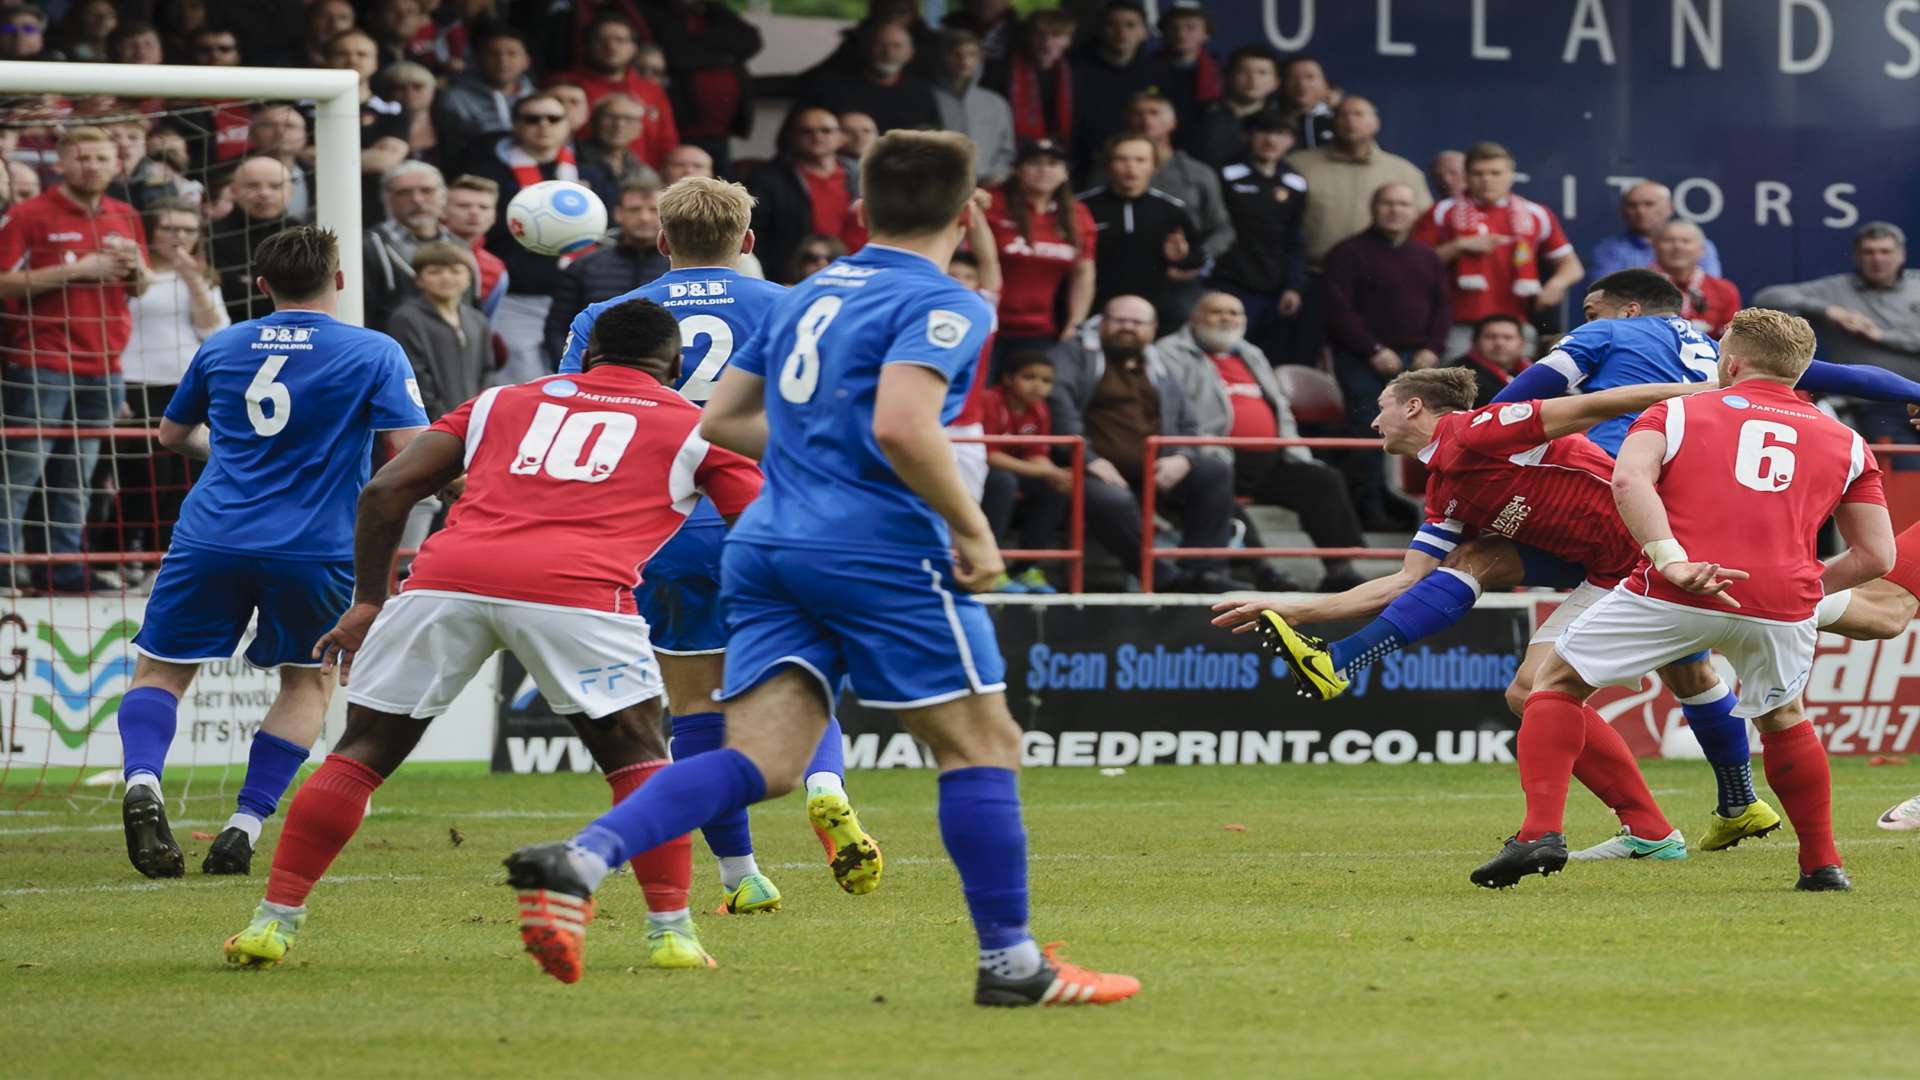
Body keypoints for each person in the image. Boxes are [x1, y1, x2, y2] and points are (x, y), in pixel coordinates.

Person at [509, 130, 1140, 1005]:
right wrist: (975, 531)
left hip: (766, 542)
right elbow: (903, 427)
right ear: (965, 217)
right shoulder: (941, 301)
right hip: (872, 543)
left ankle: (580, 859)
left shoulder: (810, 293)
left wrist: (817, 447)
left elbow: (721, 421)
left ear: (859, 212)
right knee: (982, 741)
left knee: (764, 753)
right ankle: (1011, 964)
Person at [221, 298, 755, 972]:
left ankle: (272, 923)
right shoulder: (697, 424)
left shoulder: (501, 401)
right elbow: (759, 521)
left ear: (586, 354)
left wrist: (367, 602)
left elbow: (386, 491)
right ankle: (671, 934)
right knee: (642, 762)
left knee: (360, 754)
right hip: (580, 593)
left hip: (449, 580)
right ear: (675, 366)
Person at [1221, 368, 1720, 862]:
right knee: (1523, 674)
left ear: (1413, 406)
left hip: (1659, 561)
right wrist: (1295, 609)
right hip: (1610, 571)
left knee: (1564, 689)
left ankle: (1644, 826)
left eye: (1381, 408)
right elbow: (1404, 582)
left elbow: (1598, 404)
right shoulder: (1444, 490)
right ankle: (1340, 663)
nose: (1374, 423)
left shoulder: (1484, 428)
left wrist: (1707, 390)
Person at [1481, 309, 1895, 892]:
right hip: (1781, 604)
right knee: (1783, 718)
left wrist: (1670, 557)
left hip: (1678, 586)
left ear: (1729, 362)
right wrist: (1802, 588)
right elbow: (1876, 557)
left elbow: (1629, 481)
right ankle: (1822, 866)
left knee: (1554, 685)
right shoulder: (1849, 441)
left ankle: (1539, 833)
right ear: (1800, 371)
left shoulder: (1675, 409)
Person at [555, 176, 869, 912]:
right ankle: (823, 783)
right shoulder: (796, 304)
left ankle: (741, 876)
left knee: (694, 702)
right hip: (769, 517)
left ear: (663, 241)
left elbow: (577, 415)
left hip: (659, 527)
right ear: (749, 242)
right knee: (800, 675)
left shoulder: (608, 316)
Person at [114, 226, 428, 880]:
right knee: (306, 681)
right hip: (313, 547)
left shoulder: (224, 343)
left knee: (162, 674)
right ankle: (244, 824)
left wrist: (228, 453)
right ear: (338, 281)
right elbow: (413, 448)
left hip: (211, 535)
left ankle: (142, 782)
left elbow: (172, 433)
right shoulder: (374, 350)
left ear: (262, 286)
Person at [0, 127, 151, 595]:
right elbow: (3, 281)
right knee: (24, 467)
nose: (93, 166)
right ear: (61, 163)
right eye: (82, 157)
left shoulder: (124, 214)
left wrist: (137, 270)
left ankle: (61, 569)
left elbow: (140, 288)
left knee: (79, 473)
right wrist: (78, 270)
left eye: (102, 158)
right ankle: (6, 563)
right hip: (42, 359)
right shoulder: (30, 214)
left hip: (106, 363)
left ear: (116, 163)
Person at [1159, 291, 1366, 592]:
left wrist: (1295, 449)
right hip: (1213, 456)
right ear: (1194, 317)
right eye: (1217, 312)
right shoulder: (1168, 353)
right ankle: (1260, 570)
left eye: (1235, 313)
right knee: (1217, 484)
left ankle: (1339, 569)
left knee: (1323, 480)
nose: (1227, 318)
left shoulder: (1250, 353)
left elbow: (1280, 408)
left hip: (1269, 458)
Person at [1050, 294, 1248, 594]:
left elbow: (1188, 424)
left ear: (1153, 328)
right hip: (1091, 468)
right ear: (1102, 323)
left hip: (1157, 467)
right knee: (1110, 500)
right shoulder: (1075, 355)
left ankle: (1204, 571)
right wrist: (1089, 460)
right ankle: (1165, 579)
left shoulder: (1159, 364)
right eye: (1119, 320)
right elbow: (1058, 409)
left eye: (1137, 322)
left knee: (1214, 471)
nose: (1128, 327)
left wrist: (1183, 457)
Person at [462, 91, 614, 385]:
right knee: (519, 384)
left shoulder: (590, 174)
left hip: (579, 297)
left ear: (567, 125)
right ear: (516, 125)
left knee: (581, 382)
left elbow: (609, 232)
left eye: (553, 118)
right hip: (518, 298)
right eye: (532, 118)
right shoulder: (489, 173)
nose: (543, 125)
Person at [1320, 181, 1448, 526]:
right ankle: (1369, 508)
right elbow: (1337, 310)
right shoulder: (1347, 253)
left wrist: (1431, 349)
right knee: (1371, 430)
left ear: (1414, 213)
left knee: (1428, 432)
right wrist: (1372, 349)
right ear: (1374, 209)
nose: (1395, 211)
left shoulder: (1427, 256)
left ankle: (1428, 510)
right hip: (1362, 360)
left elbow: (1442, 309)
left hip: (1417, 361)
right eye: (1388, 204)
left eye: (1403, 205)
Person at [115, 200, 228, 567]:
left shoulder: (203, 277)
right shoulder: (133, 272)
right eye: (169, 228)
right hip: (133, 383)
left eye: (188, 230)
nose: (179, 237)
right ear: (152, 231)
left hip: (183, 385)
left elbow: (212, 330)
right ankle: (123, 551)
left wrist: (193, 279)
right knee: (141, 475)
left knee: (181, 475)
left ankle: (161, 554)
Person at [1754, 221, 1920, 462]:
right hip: (1873, 404)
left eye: (1885, 252)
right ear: (1856, 256)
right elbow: (1768, 297)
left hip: (1917, 392)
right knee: (1905, 471)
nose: (1877, 259)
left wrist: (1881, 336)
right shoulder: (1837, 288)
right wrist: (1829, 310)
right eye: (1869, 252)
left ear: (1902, 255)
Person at [1414, 142, 1583, 357]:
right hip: (1460, 327)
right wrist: (1458, 246)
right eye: (1478, 173)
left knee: (1518, 388)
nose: (1487, 179)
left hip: (1514, 327)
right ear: (1466, 175)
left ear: (1511, 175)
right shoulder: (1442, 211)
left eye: (1495, 173)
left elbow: (1572, 266)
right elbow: (1414, 266)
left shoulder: (1534, 213)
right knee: (1456, 388)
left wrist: (1557, 284)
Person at [1285, 96, 1429, 270]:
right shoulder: (1299, 165)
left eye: (1358, 114)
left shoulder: (1404, 172)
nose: (1350, 121)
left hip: (1382, 274)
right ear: (1332, 123)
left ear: (1376, 123)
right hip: (1313, 273)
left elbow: (1423, 224)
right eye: (1342, 115)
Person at [984, 138, 1094, 365]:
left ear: (1065, 173)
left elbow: (1083, 273)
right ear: (1017, 169)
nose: (1044, 170)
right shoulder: (991, 203)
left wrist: (1074, 324)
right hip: (988, 325)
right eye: (1034, 163)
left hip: (1042, 332)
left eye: (1053, 164)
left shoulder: (1077, 215)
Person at [1209, 109, 1307, 364]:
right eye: (1263, 133)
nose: (1271, 141)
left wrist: (1294, 286)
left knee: (1268, 362)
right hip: (1231, 283)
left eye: (1280, 134)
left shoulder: (1295, 182)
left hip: (1276, 290)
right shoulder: (1224, 175)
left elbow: (1295, 238)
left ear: (1291, 140)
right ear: (1247, 136)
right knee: (1225, 356)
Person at [1079, 135, 1204, 328]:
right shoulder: (1082, 207)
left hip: (1155, 313)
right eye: (1122, 159)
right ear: (1108, 164)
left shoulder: (1171, 210)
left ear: (1154, 166)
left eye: (1140, 160)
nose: (1131, 167)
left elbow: (1197, 258)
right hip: (1093, 309)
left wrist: (1181, 257)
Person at [541, 177, 667, 362]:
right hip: (592, 374)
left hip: (663, 377)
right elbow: (557, 329)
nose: (644, 217)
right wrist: (572, 371)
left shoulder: (680, 267)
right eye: (634, 209)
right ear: (618, 213)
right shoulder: (584, 266)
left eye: (653, 210)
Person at [979, 350, 1069, 594]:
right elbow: (989, 455)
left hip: (1014, 472)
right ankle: (990, 565)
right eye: (1029, 377)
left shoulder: (1039, 409)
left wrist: (1053, 473)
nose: (1038, 386)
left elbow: (1037, 453)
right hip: (981, 473)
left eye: (1046, 381)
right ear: (1008, 379)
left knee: (1056, 488)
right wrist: (1037, 469)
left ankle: (1025, 568)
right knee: (1003, 482)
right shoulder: (988, 401)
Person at [637, 0, 761, 177]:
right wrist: (721, 56)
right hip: (681, 126)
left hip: (720, 130)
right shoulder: (655, 13)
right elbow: (675, 53)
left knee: (720, 190)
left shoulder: (715, 12)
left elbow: (751, 42)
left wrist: (702, 50)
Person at [1120, 91, 1234, 276]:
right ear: (1128, 121)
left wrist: (1195, 262)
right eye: (1138, 114)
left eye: (1154, 113)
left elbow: (1222, 230)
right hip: (1122, 274)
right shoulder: (1106, 171)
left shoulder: (1199, 173)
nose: (1146, 120)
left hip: (1181, 278)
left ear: (1172, 122)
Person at [745, 108, 860, 285]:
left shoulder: (862, 176)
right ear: (792, 137)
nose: (817, 136)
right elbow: (758, 234)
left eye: (826, 130)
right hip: (793, 279)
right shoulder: (768, 179)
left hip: (857, 274)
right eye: (807, 131)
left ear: (841, 137)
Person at [364, 161, 469, 332]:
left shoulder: (460, 246)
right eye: (404, 192)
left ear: (444, 196)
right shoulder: (368, 247)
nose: (417, 199)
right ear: (387, 199)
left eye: (427, 191)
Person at [561, 14, 677, 168]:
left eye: (620, 40)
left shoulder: (651, 90)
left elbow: (667, 141)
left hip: (644, 182)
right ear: (587, 44)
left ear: (634, 48)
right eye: (602, 40)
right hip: (583, 174)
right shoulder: (566, 86)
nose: (611, 47)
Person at [798, 17, 942, 135]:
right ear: (864, 48)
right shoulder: (829, 88)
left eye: (897, 46)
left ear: (910, 53)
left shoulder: (921, 91)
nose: (889, 53)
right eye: (880, 45)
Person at [1067, 2, 1154, 176]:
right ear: (1100, 29)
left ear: (1145, 32)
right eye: (1112, 25)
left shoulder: (1157, 70)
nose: (1121, 32)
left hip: (1141, 163)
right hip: (1083, 164)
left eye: (1130, 25)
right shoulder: (1072, 69)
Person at [211, 156, 295, 325]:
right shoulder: (212, 236)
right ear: (234, 191)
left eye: (275, 186)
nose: (264, 193)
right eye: (253, 186)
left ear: (290, 191)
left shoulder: (305, 236)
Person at [434, 24, 534, 164]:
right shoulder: (454, 99)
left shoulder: (537, 99)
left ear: (526, 61)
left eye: (511, 54)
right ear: (478, 59)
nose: (502, 61)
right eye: (493, 54)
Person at [1587, 180, 1724, 281]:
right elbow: (1606, 296)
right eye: (1632, 205)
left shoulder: (1697, 245)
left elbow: (1711, 291)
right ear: (1622, 211)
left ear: (1669, 208)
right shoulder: (1609, 249)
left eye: (1649, 204)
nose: (1640, 211)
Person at [932, 28, 1014, 186]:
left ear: (980, 59)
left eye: (971, 54)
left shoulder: (995, 103)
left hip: (988, 185)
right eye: (956, 54)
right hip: (940, 187)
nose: (964, 61)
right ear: (943, 57)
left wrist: (997, 173)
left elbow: (1006, 149)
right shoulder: (928, 98)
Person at [983, 9, 1074, 147]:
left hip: (1061, 153)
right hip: (1013, 150)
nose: (1047, 43)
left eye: (1056, 35)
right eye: (1040, 35)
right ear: (1028, 37)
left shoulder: (1075, 74)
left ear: (1068, 40)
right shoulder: (1002, 73)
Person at [1188, 43, 1282, 170]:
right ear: (1228, 77)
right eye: (1243, 71)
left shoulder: (1283, 123)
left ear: (1276, 82)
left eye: (1262, 73)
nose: (1253, 79)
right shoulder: (1201, 116)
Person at [1145, 1, 1220, 143]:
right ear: (1163, 33)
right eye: (1174, 28)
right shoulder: (1145, 69)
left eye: (1190, 28)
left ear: (1206, 34)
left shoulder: (1219, 74)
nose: (1181, 34)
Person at [1651, 220, 1738, 339]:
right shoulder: (1637, 286)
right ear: (1655, 247)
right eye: (1669, 241)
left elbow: (1732, 339)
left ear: (1702, 250)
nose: (1677, 246)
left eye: (1685, 241)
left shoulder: (1724, 290)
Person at [443, 174, 508, 318]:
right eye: (463, 206)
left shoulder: (496, 270)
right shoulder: (418, 251)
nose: (474, 212)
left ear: (494, 217)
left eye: (484, 207)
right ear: (442, 211)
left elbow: (484, 325)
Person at [246, 104, 315, 221]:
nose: (280, 132)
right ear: (251, 133)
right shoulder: (228, 174)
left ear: (305, 136)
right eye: (268, 125)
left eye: (289, 126)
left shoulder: (318, 174)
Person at [576, 94, 661, 187]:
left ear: (640, 128)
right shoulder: (572, 158)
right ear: (594, 121)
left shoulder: (644, 173)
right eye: (610, 117)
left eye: (628, 119)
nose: (619, 125)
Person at [1450, 313, 1531, 407]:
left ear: (1522, 344)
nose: (1499, 343)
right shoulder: (1458, 376)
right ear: (1474, 342)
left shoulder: (1534, 371)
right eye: (1490, 337)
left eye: (1508, 337)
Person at [1279, 55, 1335, 150]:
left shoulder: (1339, 121)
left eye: (1310, 77)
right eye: (1293, 78)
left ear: (1325, 84)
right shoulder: (1267, 122)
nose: (1301, 84)